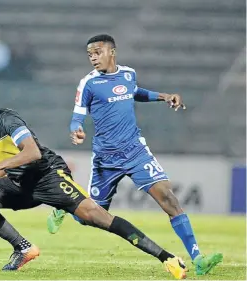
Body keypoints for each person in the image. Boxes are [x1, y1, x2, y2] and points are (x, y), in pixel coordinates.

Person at [0, 86, 187, 279]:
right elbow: (12, 161)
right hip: (22, 184)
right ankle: (23, 248)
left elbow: (33, 153)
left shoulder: (8, 121)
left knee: (98, 218)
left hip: (48, 177)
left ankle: (168, 258)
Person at [46, 34, 222, 275]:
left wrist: (163, 96)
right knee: (89, 216)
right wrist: (75, 129)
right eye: (90, 55)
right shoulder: (88, 83)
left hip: (136, 151)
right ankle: (65, 207)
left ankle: (198, 258)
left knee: (169, 199)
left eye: (97, 52)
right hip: (106, 159)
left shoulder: (129, 74)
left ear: (112, 52)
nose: (93, 58)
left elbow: (134, 92)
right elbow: (77, 115)